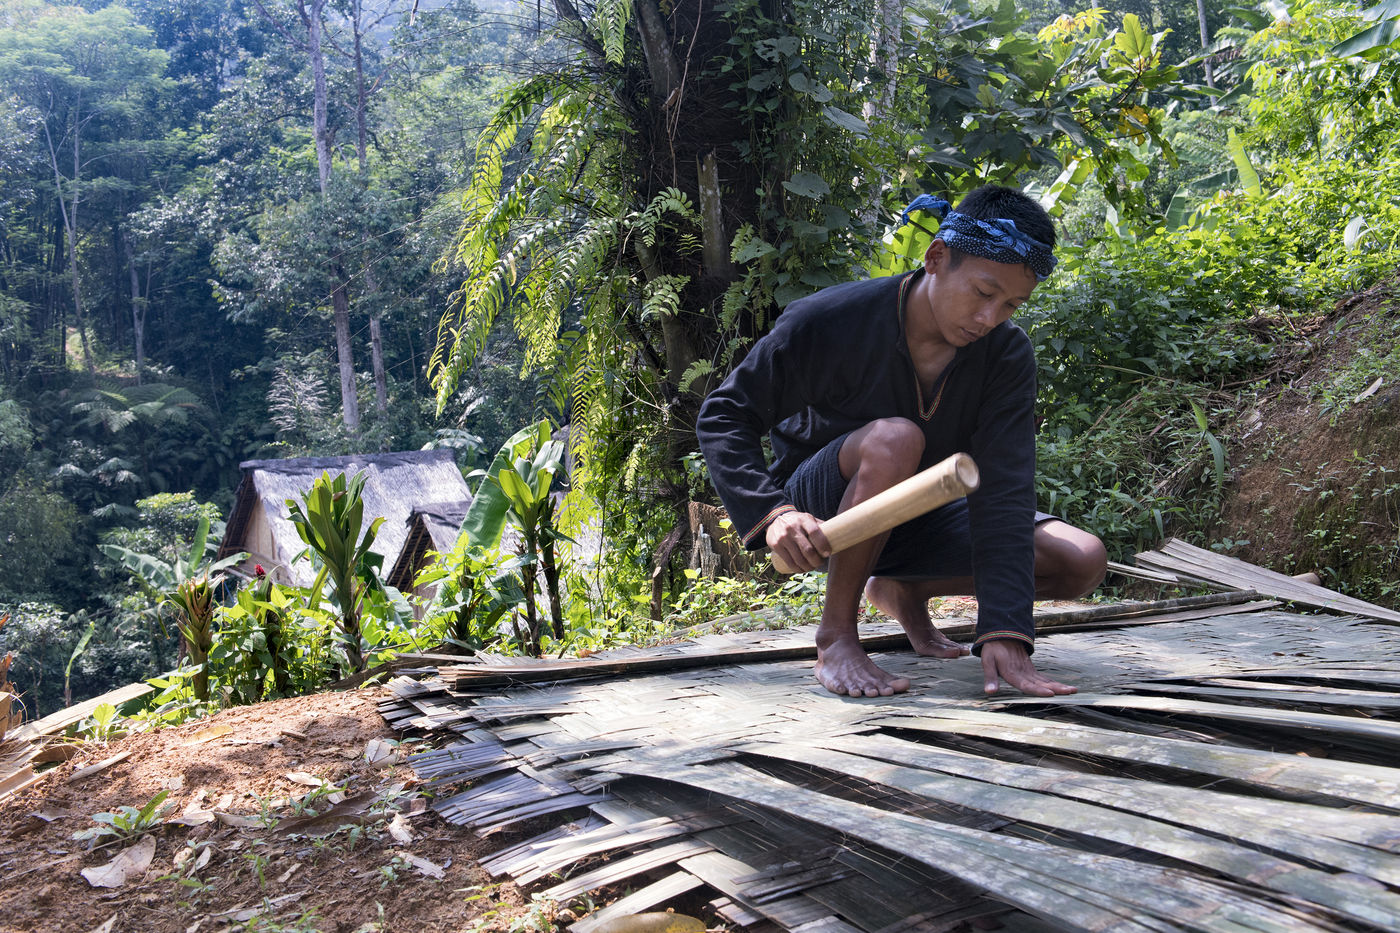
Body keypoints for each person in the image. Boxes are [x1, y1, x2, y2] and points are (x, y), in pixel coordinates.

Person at [695, 185, 1107, 699]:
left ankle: (903, 588)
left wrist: (1004, 626)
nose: (990, 318)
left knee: (1081, 558)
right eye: (984, 293)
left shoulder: (1006, 356)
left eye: (1011, 304)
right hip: (825, 515)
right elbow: (724, 414)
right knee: (895, 439)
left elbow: (1004, 488)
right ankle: (836, 636)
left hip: (920, 518)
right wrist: (773, 513)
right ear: (936, 258)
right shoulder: (831, 320)